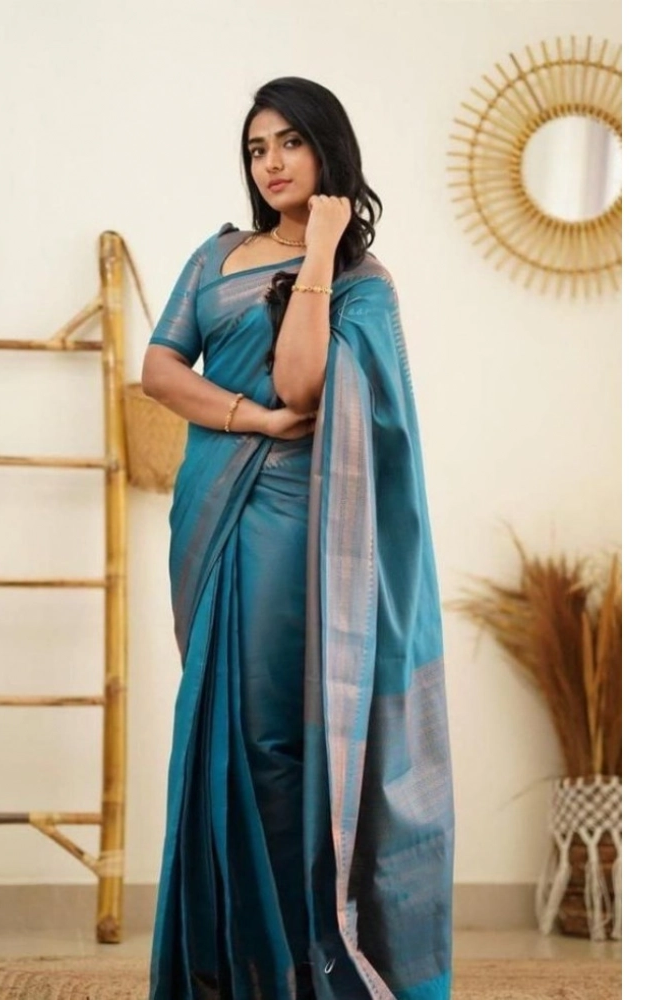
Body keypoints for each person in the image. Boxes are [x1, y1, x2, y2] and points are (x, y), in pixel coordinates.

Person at [141, 76, 454, 1000]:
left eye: (289, 143)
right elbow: (159, 367)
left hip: (292, 528)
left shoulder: (361, 283)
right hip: (211, 514)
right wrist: (251, 418)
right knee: (214, 733)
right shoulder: (215, 254)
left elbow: (305, 384)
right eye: (256, 148)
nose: (270, 163)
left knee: (272, 741)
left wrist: (319, 247)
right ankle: (227, 964)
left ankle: (291, 968)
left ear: (327, 150)